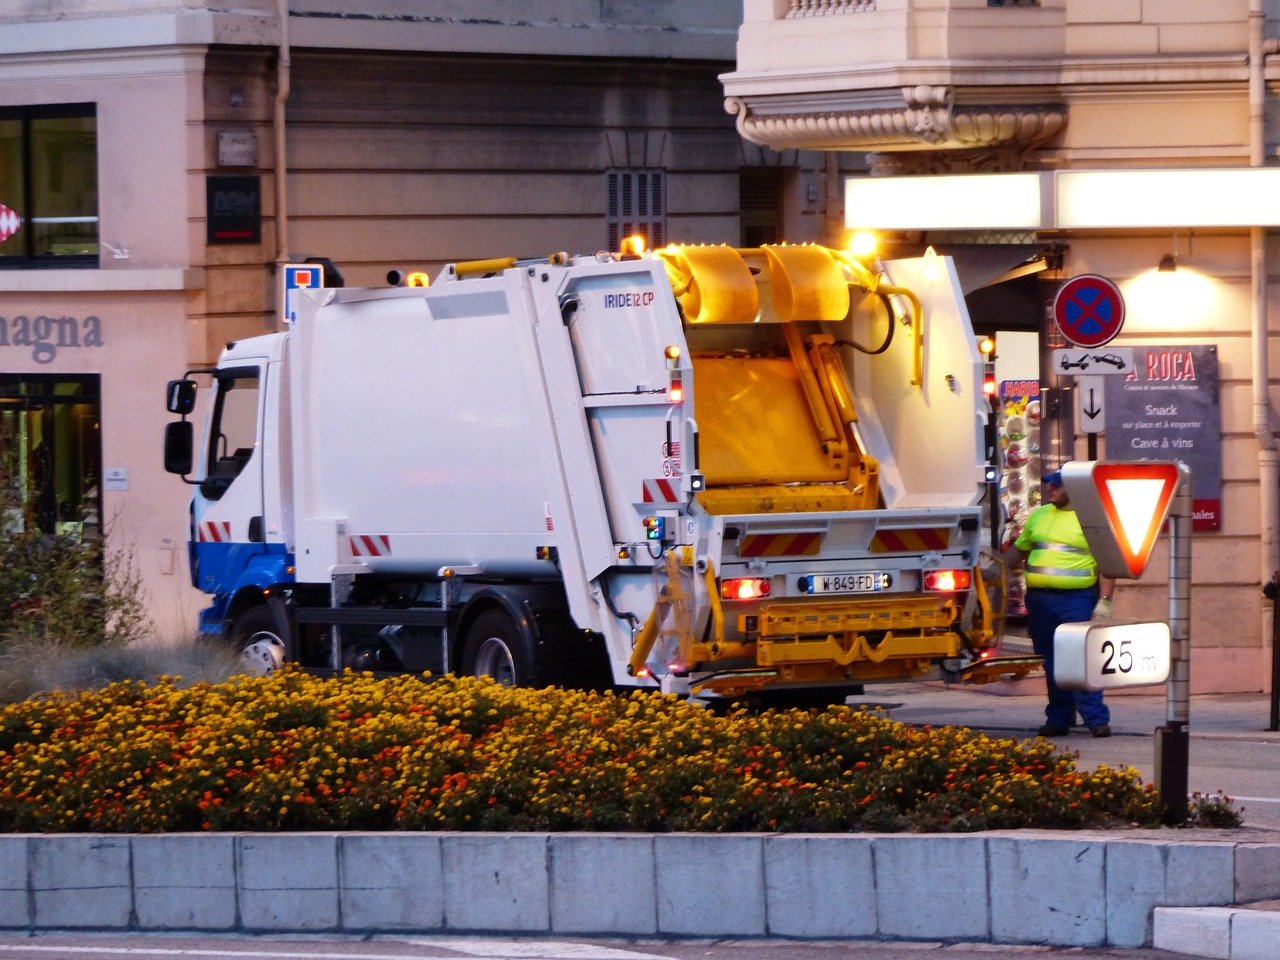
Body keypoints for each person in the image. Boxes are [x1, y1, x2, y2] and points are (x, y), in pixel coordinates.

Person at [1001, 468, 1114, 738]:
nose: (1049, 489)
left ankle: (1096, 719)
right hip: (1040, 601)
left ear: (1073, 489)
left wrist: (1105, 602)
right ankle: (1059, 718)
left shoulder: (1090, 520)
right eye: (1048, 484)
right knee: (1051, 662)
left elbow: (1106, 565)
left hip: (1077, 599)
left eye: (1055, 485)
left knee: (1080, 659)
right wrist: (992, 569)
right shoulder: (1039, 516)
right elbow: (1019, 552)